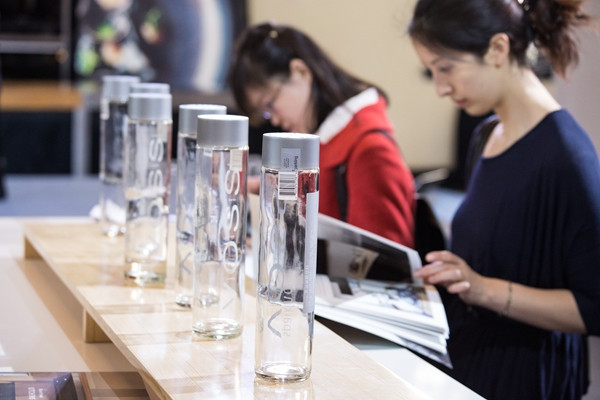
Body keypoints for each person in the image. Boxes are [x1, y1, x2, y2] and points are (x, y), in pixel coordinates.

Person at [408, 0, 600, 398]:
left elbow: (594, 307)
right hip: (473, 362)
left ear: (497, 49)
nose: (441, 88)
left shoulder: (566, 157)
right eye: (433, 72)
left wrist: (483, 290)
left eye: (446, 68)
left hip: (526, 378)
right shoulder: (487, 134)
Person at [229, 22, 416, 249]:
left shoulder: (368, 147)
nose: (274, 120)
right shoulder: (333, 140)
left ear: (300, 71)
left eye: (269, 104)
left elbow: (383, 259)